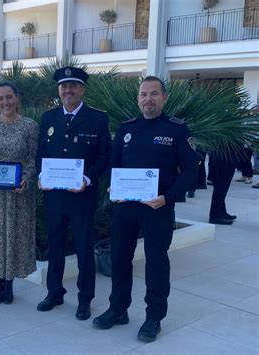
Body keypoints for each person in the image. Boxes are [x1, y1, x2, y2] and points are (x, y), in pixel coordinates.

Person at [92, 76, 197, 342]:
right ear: (138, 99)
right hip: (125, 208)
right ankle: (118, 309)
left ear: (164, 97)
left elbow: (190, 171)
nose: (148, 99)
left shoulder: (177, 129)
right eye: (143, 95)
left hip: (157, 208)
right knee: (119, 259)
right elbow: (114, 165)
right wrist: (113, 189)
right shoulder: (128, 128)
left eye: (153, 94)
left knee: (156, 262)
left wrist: (167, 197)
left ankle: (154, 317)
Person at [36, 67, 112, 321]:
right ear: (59, 90)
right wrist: (40, 177)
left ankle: (84, 299)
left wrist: (87, 178)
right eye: (63, 86)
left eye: (73, 86)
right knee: (55, 246)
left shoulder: (98, 119)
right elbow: (40, 155)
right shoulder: (49, 118)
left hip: (82, 196)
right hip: (54, 195)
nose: (68, 91)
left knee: (83, 249)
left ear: (82, 89)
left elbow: (104, 156)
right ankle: (54, 292)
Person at [0, 82, 38, 304]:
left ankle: (9, 283)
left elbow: (32, 159)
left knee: (14, 236)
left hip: (17, 193)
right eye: (1, 98)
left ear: (17, 98)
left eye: (9, 97)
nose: (5, 102)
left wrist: (27, 179)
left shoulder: (29, 126)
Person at [208, 152, 236, 225]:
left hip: (225, 159)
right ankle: (215, 215)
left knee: (221, 190)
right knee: (220, 189)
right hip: (224, 160)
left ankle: (221, 212)